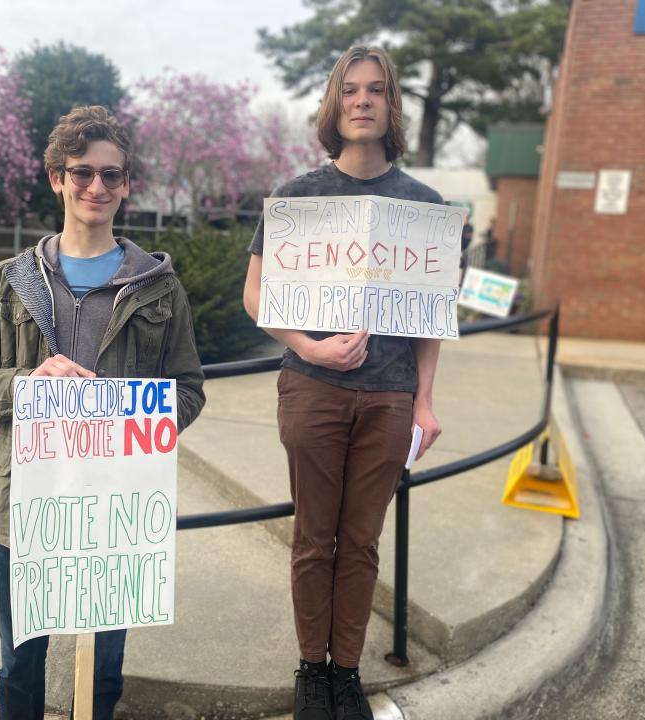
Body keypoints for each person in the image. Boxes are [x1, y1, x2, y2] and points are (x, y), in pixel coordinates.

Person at [0, 105, 205, 720]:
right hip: (27, 503)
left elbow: (188, 388)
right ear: (56, 178)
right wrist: (29, 382)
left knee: (104, 671)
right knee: (21, 668)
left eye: (112, 175)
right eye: (82, 173)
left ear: (127, 184)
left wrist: (134, 419)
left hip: (115, 509)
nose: (97, 188)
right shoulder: (5, 282)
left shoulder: (160, 288)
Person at [243, 46, 444, 720]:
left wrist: (426, 401)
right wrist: (311, 347)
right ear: (335, 105)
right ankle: (310, 669)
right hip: (312, 389)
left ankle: (346, 672)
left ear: (392, 107)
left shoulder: (423, 205)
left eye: (377, 90)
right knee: (312, 539)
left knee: (360, 542)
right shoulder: (298, 197)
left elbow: (427, 318)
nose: (363, 101)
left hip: (389, 398)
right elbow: (256, 295)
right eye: (351, 90)